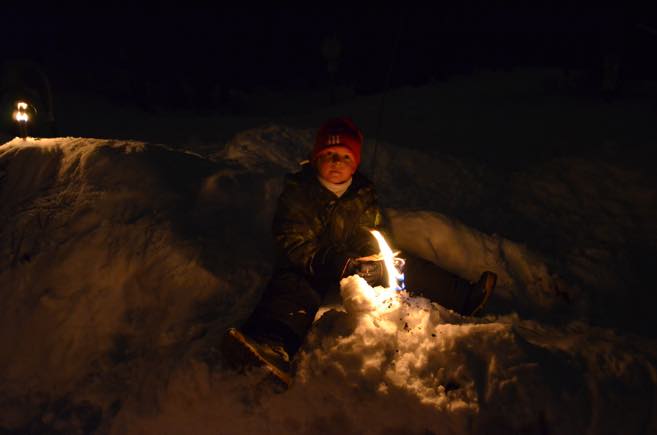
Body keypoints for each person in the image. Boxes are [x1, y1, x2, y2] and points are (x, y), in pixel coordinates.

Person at [221, 117, 496, 385]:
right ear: (317, 158)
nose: (336, 163)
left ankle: (463, 297)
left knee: (400, 264)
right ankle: (270, 345)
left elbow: (371, 232)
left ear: (355, 162)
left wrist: (371, 258)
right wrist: (326, 260)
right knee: (294, 287)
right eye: (329, 154)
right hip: (312, 264)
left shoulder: (363, 192)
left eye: (345, 156)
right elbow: (291, 239)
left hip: (351, 263)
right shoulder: (300, 190)